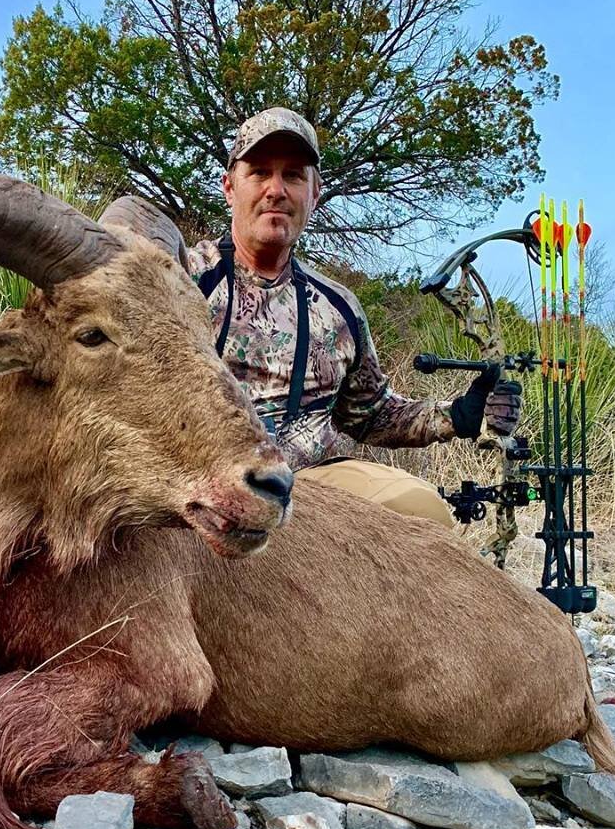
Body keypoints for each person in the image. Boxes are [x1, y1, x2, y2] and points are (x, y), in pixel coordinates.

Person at [188, 107, 521, 527]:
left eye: (293, 175)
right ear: (229, 187)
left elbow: (371, 414)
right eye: (258, 172)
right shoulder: (179, 279)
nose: (276, 190)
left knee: (422, 510)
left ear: (315, 192)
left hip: (313, 487)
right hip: (201, 477)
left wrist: (457, 415)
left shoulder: (337, 307)